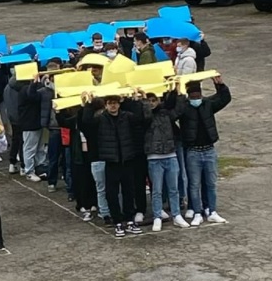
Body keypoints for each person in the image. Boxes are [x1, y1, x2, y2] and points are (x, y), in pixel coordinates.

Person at [80, 91, 151, 238]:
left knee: (129, 192)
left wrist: (139, 101)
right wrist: (88, 104)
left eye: (115, 103)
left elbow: (144, 120)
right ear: (106, 105)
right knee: (111, 194)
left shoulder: (127, 116)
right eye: (110, 103)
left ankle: (130, 221)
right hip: (111, 161)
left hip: (127, 160)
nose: (113, 106)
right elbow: (85, 124)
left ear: (119, 104)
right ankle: (118, 222)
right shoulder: (100, 119)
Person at [175, 78, 232, 226]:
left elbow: (225, 98)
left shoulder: (208, 104)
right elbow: (172, 112)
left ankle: (211, 211)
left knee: (211, 183)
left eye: (198, 96)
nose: (196, 99)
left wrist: (220, 84)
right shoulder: (184, 108)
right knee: (194, 184)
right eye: (193, 97)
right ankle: (197, 212)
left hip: (209, 150)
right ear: (188, 96)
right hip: (193, 151)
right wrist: (176, 94)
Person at [144, 91, 191, 231]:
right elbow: (145, 117)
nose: (151, 103)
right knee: (157, 190)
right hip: (154, 157)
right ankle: (157, 216)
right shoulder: (144, 115)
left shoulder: (165, 113)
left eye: (154, 100)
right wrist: (143, 101)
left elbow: (179, 110)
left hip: (170, 155)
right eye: (149, 100)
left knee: (174, 189)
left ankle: (176, 215)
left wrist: (180, 93)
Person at [14, 71, 47, 182]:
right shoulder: (24, 90)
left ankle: (40, 168)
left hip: (36, 122)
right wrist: (35, 83)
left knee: (39, 148)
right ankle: (29, 171)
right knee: (30, 149)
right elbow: (32, 96)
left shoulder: (26, 89)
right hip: (29, 123)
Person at [3, 71, 24, 175]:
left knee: (15, 139)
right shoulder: (21, 88)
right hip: (21, 117)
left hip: (12, 117)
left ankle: (12, 163)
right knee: (22, 141)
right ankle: (23, 166)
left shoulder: (7, 87)